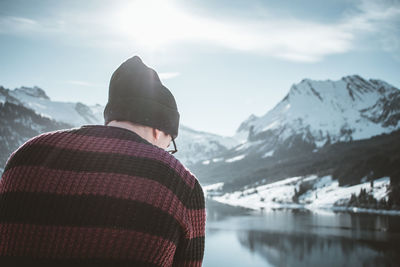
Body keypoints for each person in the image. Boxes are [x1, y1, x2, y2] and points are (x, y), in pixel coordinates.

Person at [0, 56, 206, 266]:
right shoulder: (182, 184)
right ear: (158, 130)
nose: (166, 152)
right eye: (170, 143)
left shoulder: (25, 156)